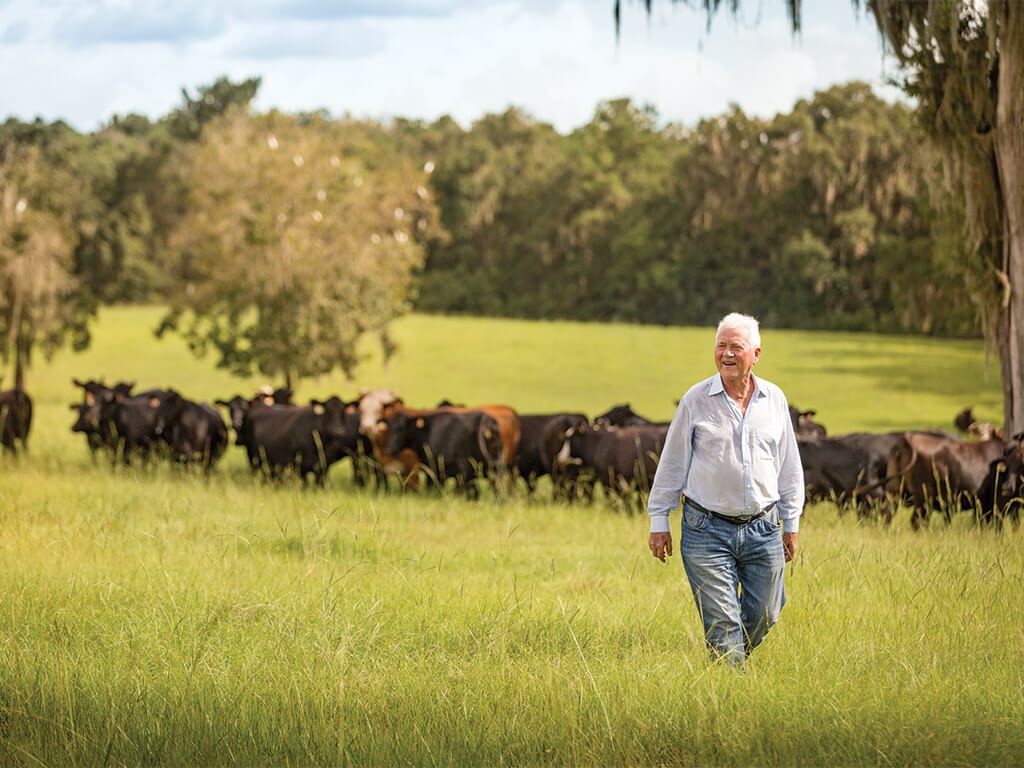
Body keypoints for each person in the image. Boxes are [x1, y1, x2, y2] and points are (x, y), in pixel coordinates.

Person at [647, 312, 803, 668]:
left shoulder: (775, 399)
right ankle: (734, 695)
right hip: (706, 530)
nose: (727, 354)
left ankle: (728, 658)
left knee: (767, 613)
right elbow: (672, 462)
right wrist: (659, 519)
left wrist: (791, 522)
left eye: (736, 346)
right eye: (721, 346)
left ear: (756, 354)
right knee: (722, 622)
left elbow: (789, 466)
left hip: (764, 528)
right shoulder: (695, 400)